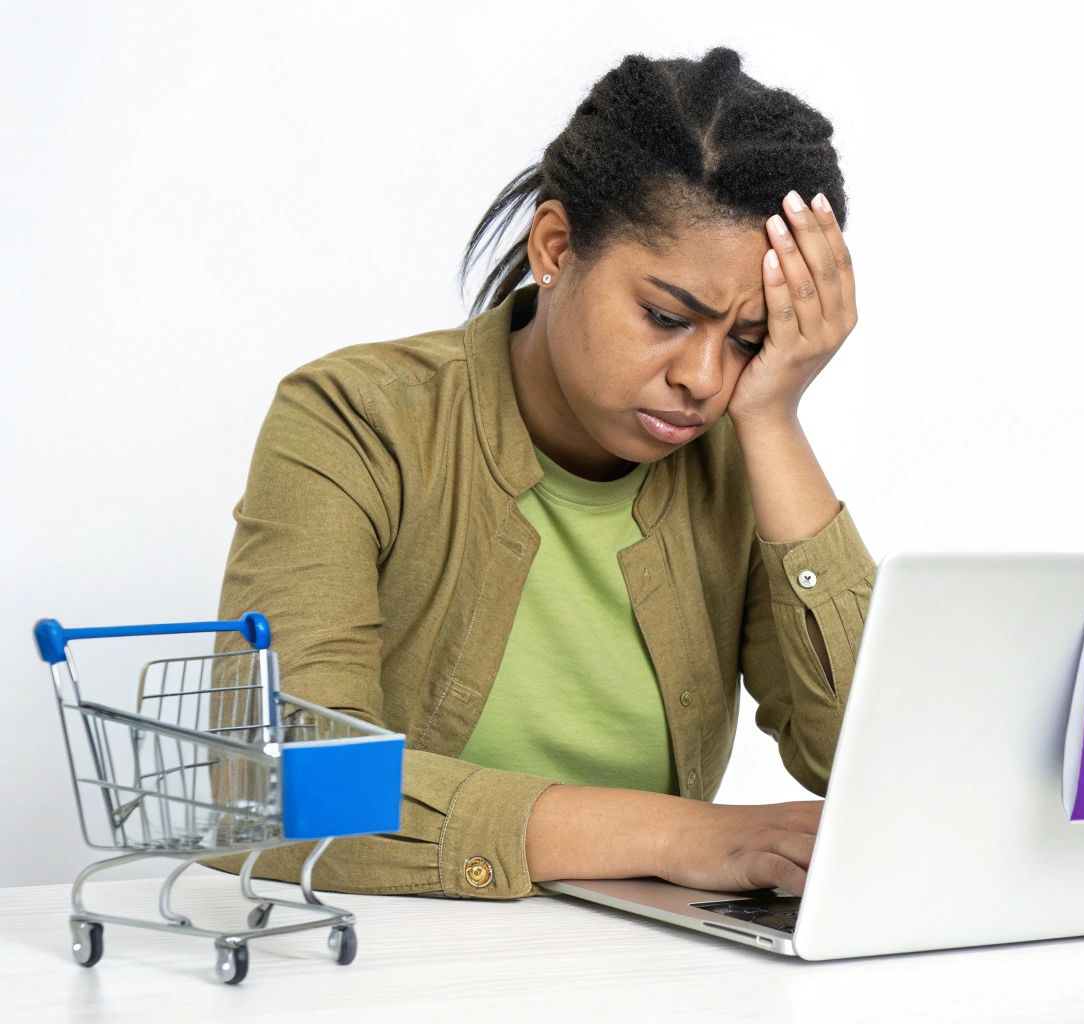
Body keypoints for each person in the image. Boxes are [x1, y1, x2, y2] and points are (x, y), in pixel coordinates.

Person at [206, 46, 873, 902]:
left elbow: (870, 768)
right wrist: (681, 833)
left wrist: (775, 421)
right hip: (383, 954)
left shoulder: (741, 454)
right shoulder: (355, 419)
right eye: (667, 316)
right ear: (555, 247)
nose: (705, 379)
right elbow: (278, 783)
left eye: (748, 338)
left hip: (640, 959)